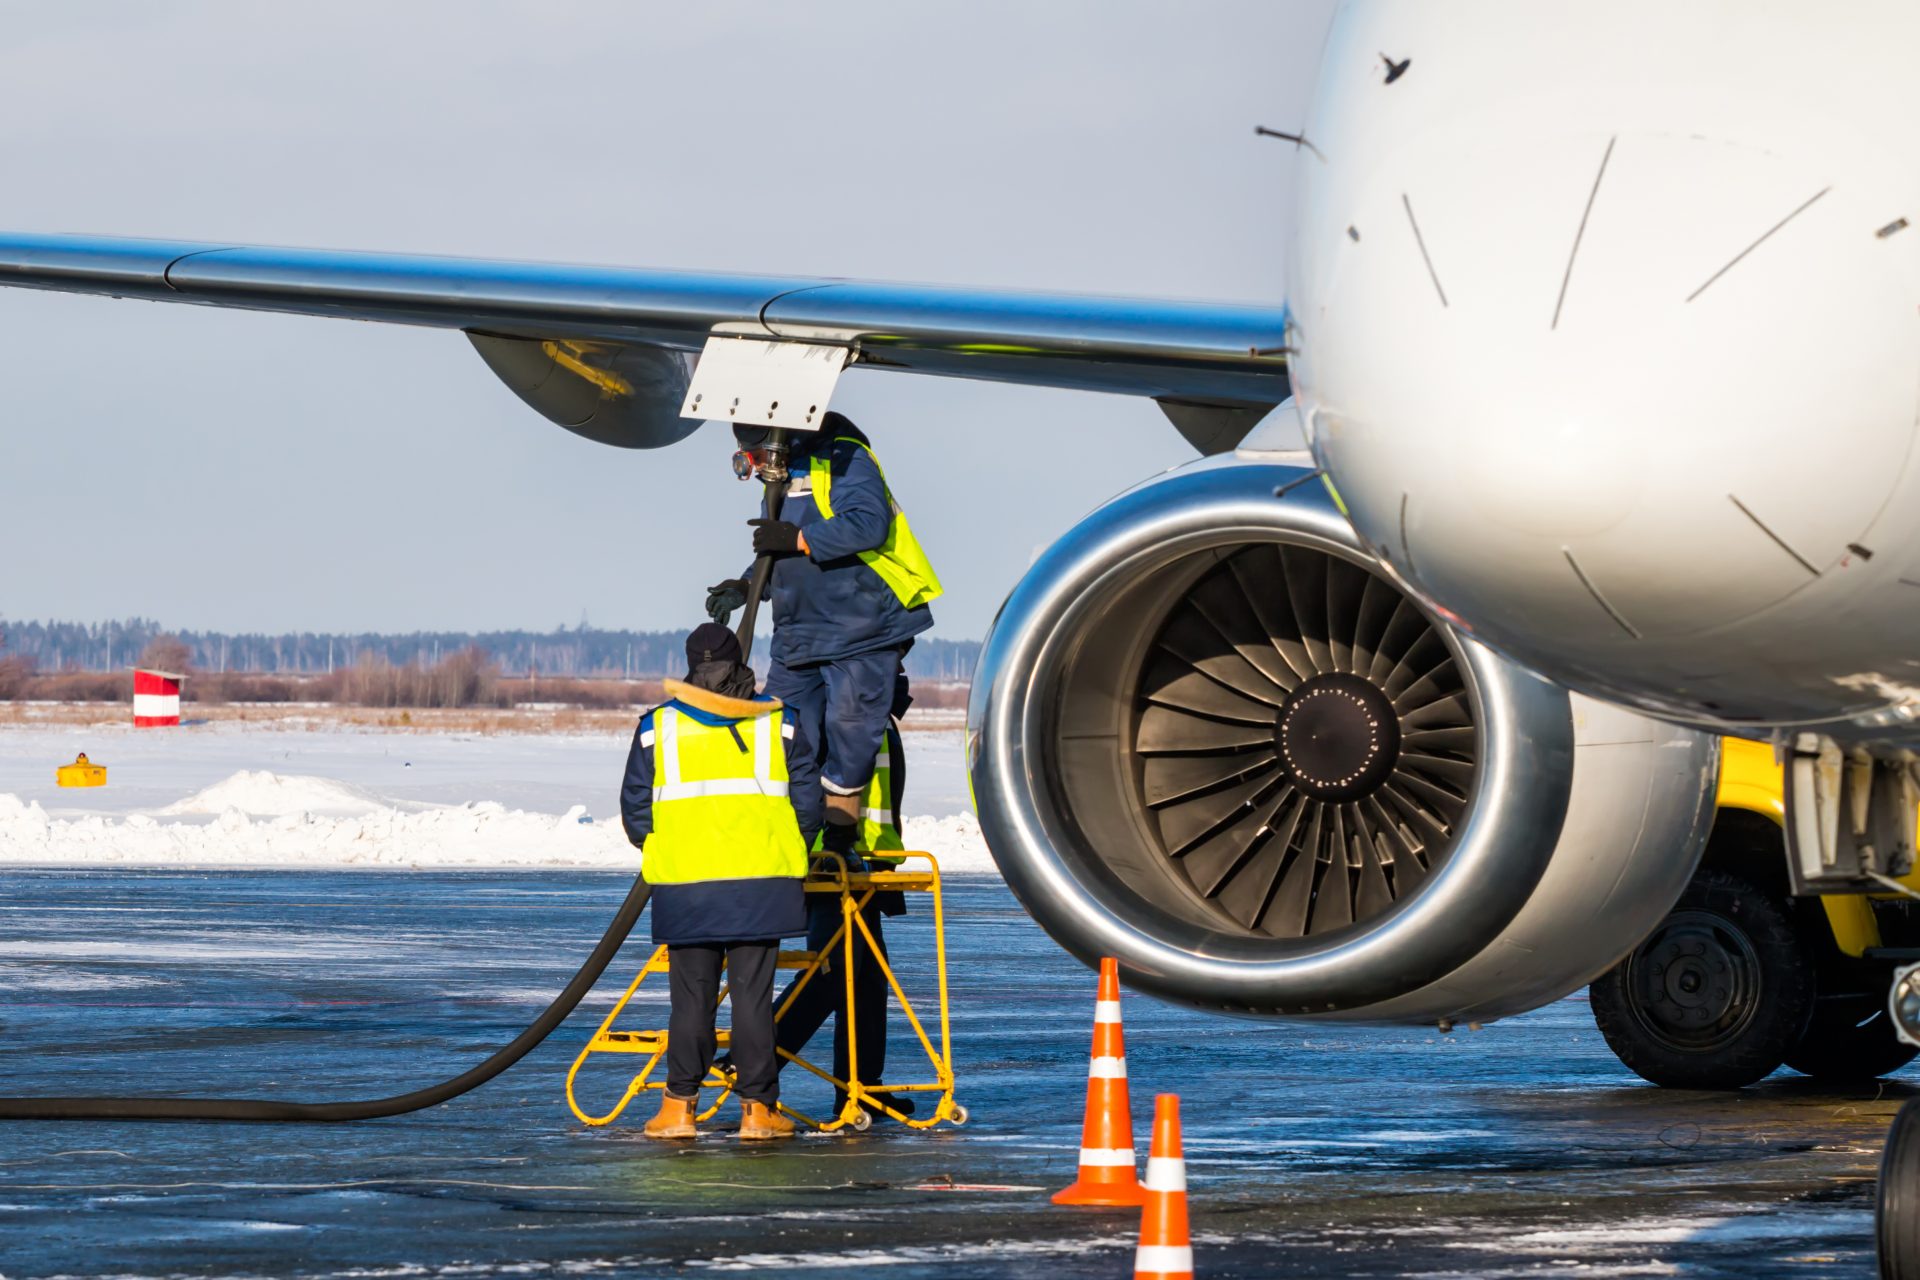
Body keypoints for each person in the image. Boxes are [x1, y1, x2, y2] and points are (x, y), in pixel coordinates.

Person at [619, 622, 821, 1141]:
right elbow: (809, 804)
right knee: (753, 1000)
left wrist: (664, 849)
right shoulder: (780, 723)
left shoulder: (655, 728)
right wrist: (788, 846)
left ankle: (678, 1109)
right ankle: (758, 1113)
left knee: (691, 1001)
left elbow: (635, 810)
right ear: (740, 663)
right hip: (761, 883)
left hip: (687, 886)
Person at [706, 412, 940, 858]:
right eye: (747, 459)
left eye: (757, 456)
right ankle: (796, 838)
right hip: (800, 634)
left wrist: (796, 540)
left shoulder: (843, 457)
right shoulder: (779, 482)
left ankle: (839, 838)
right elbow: (782, 550)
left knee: (851, 733)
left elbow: (869, 523)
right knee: (784, 731)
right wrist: (746, 584)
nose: (754, 467)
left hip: (861, 627)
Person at [771, 671, 914, 1117]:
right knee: (832, 973)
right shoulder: (843, 716)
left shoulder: (872, 718)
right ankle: (754, 1057)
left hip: (866, 867)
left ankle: (861, 1089)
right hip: (834, 866)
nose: (901, 676)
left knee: (868, 984)